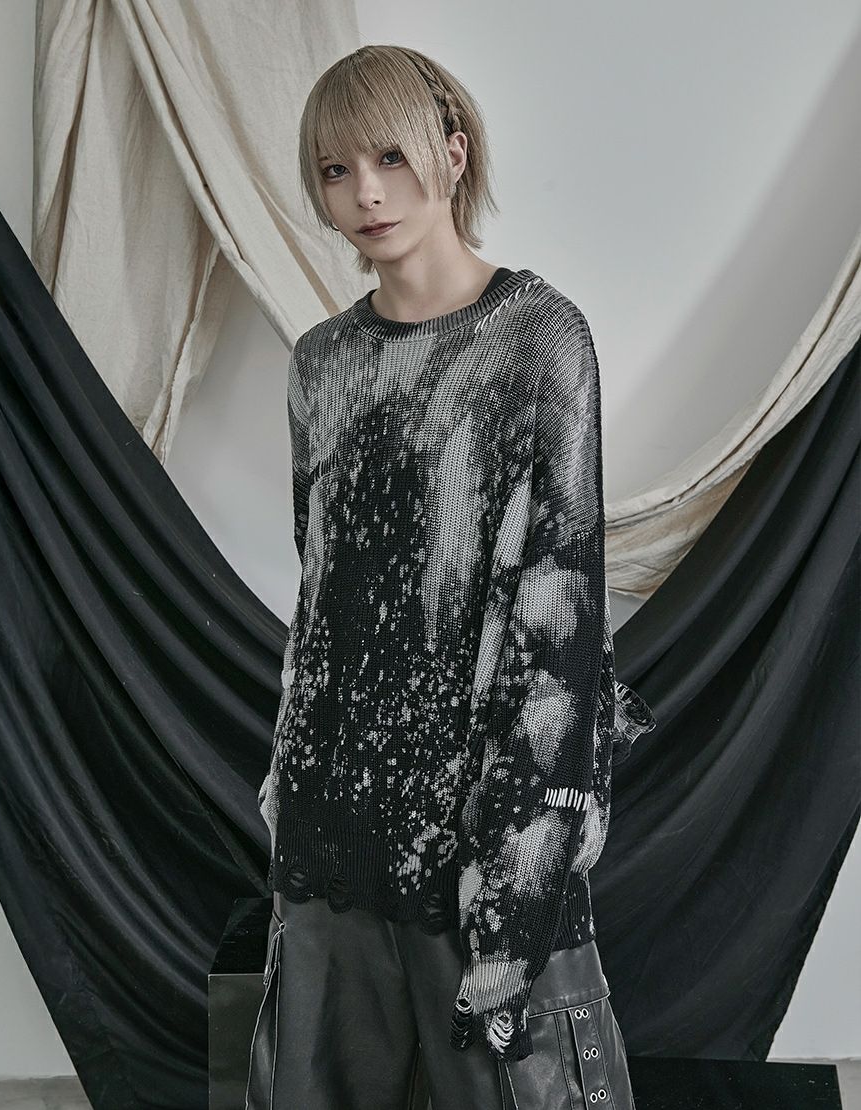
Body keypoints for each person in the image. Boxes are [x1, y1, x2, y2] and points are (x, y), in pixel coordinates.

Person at [245, 43, 655, 1110]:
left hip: (479, 823)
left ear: (454, 152)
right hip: (334, 823)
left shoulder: (538, 340)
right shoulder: (320, 364)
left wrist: (520, 865)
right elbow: (322, 600)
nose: (367, 194)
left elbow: (562, 615)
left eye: (390, 156)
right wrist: (292, 798)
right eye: (336, 170)